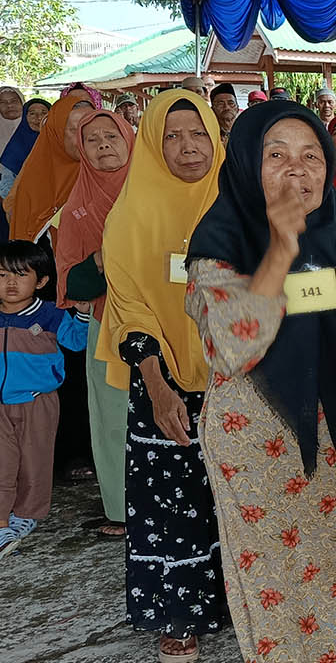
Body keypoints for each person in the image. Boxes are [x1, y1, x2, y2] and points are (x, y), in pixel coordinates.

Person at [185, 100, 336, 663]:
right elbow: (233, 344)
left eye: (310, 157)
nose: (298, 171)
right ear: (249, 163)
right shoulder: (220, 239)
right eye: (277, 156)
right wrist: (279, 251)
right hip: (259, 449)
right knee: (282, 596)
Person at [97, 89, 229, 662]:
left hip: (237, 375)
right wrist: (156, 385)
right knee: (172, 504)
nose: (187, 147)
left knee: (239, 496)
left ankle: (249, 603)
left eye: (197, 132)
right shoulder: (130, 213)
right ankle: (178, 617)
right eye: (171, 136)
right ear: (152, 143)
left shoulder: (238, 197)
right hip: (162, 377)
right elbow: (129, 307)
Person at [54, 110, 135, 539]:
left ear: (130, 140)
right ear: (81, 152)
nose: (104, 145)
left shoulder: (154, 194)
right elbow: (73, 281)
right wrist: (105, 256)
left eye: (112, 136)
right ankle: (121, 509)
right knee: (112, 420)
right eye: (93, 140)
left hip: (169, 324)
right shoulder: (77, 209)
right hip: (106, 325)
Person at [0, 241, 89, 559]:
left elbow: (76, 344)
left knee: (35, 461)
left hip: (38, 402)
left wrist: (82, 316)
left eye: (20, 275)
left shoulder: (50, 315)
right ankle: (1, 524)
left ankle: (25, 516)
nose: (10, 283)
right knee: (3, 462)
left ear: (41, 281)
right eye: (2, 275)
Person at [5, 93, 93, 241]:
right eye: (75, 129)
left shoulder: (107, 171)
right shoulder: (32, 185)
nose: (88, 136)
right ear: (57, 132)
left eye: (93, 127)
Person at [0, 97, 49, 201]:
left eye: (44, 113)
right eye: (32, 113)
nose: (38, 117)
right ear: (24, 117)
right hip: (23, 204)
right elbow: (6, 187)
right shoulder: (16, 146)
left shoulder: (61, 143)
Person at [0, 86, 23, 151]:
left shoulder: (37, 127)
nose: (9, 105)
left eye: (14, 101)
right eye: (3, 102)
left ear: (22, 102)